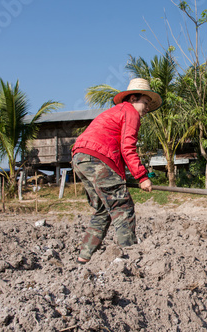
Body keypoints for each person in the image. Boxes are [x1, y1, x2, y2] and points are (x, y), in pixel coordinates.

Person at [71, 78, 162, 264]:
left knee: (103, 210)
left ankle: (83, 258)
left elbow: (114, 150)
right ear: (134, 98)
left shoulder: (115, 112)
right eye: (145, 103)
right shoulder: (130, 113)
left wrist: (123, 176)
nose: (147, 108)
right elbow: (127, 148)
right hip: (97, 158)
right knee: (122, 208)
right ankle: (129, 258)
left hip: (80, 158)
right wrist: (142, 177)